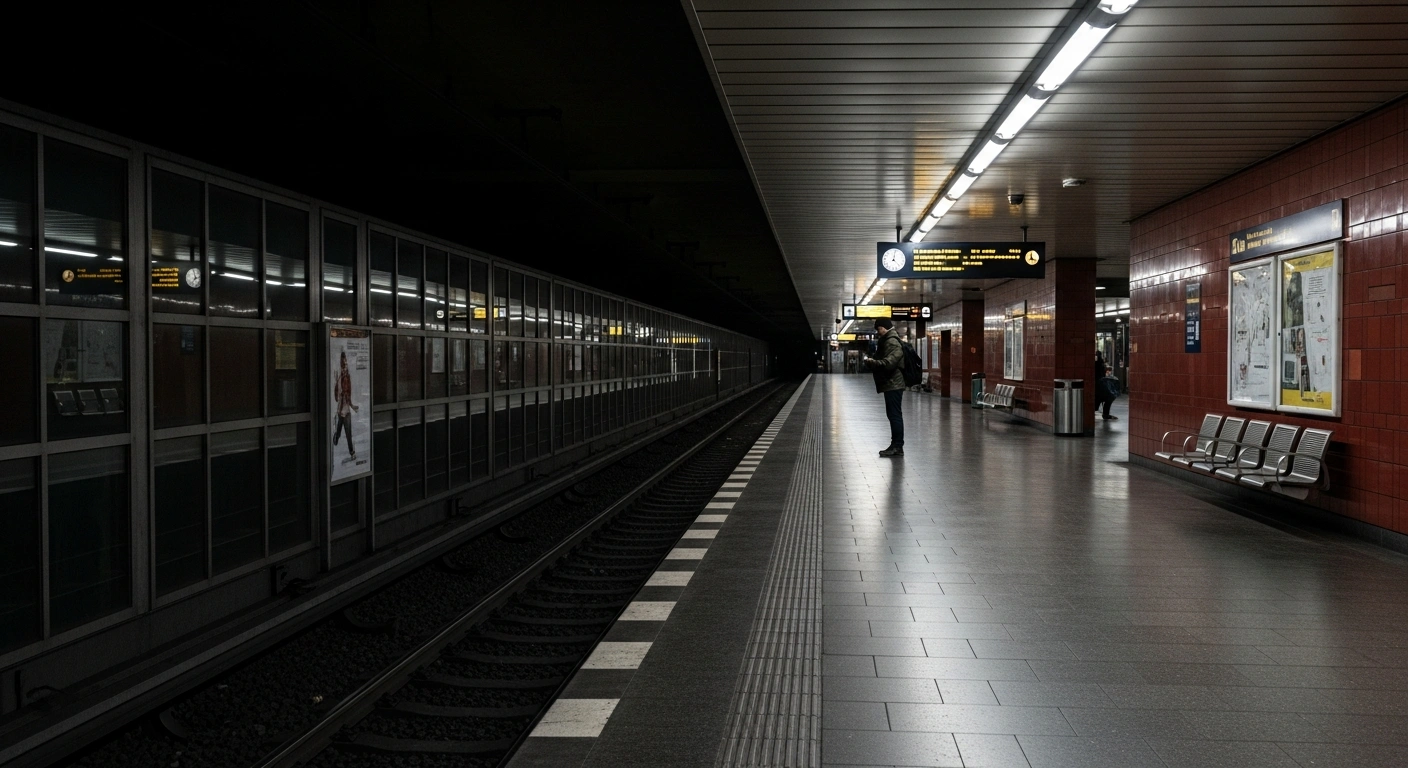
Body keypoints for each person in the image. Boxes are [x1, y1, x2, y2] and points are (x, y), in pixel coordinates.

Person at [864, 317, 907, 457]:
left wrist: (873, 362)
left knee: (894, 415)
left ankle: (897, 446)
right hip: (891, 383)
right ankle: (895, 445)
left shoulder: (892, 341)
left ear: (884, 327)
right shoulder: (887, 340)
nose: (878, 332)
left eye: (879, 328)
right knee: (893, 414)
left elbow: (889, 363)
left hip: (894, 383)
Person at [333, 351, 359, 459]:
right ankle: (337, 436)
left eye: (346, 364)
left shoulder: (347, 376)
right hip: (341, 408)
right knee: (340, 426)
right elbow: (337, 391)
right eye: (343, 364)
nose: (345, 366)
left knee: (348, 431)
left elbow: (348, 392)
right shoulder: (339, 376)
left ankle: (351, 451)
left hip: (345, 408)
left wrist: (351, 404)